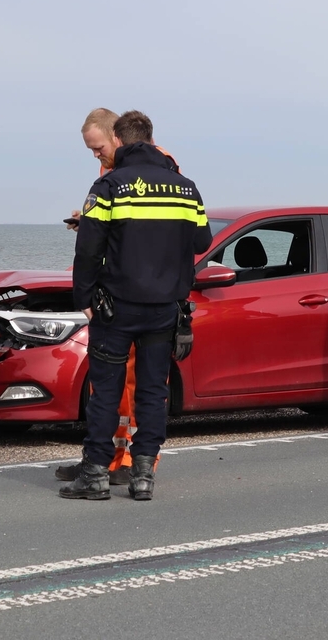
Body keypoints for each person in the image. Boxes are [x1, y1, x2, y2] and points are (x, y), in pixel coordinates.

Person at [62, 110, 212, 500]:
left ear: (121, 141)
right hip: (165, 308)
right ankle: (143, 474)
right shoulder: (185, 187)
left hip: (118, 307)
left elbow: (89, 249)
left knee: (106, 392)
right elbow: (201, 243)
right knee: (152, 392)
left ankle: (95, 475)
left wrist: (84, 299)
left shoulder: (110, 185)